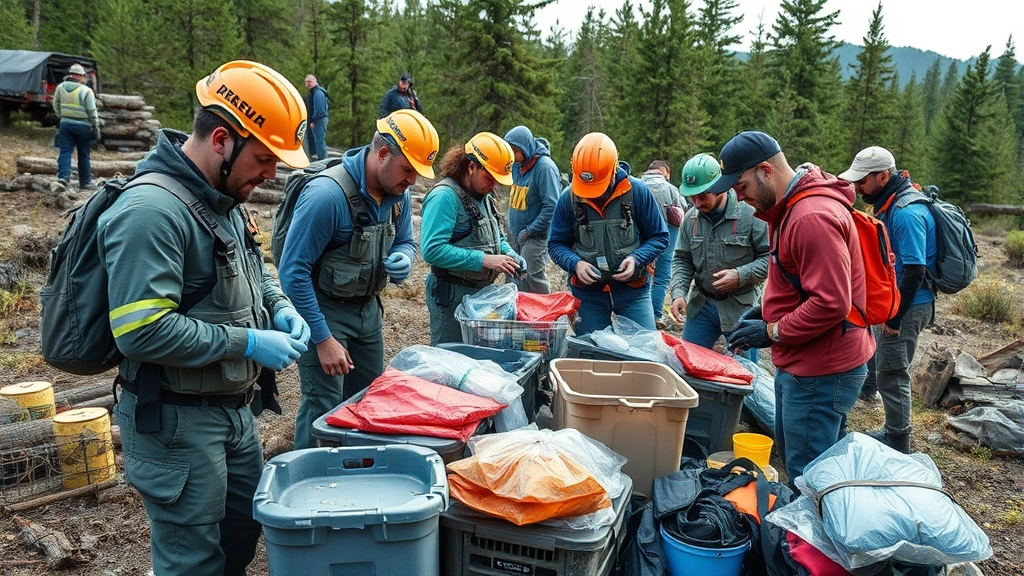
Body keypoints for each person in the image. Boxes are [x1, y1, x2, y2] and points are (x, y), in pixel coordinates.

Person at [100, 61, 312, 576]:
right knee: (192, 559)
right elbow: (140, 329)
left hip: (233, 411)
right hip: (176, 419)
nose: (271, 175)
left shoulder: (223, 200)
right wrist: (246, 343)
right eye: (264, 159)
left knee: (241, 533)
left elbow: (252, 266)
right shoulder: (151, 212)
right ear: (221, 139)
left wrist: (279, 305)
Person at [279, 109, 438, 450]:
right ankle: (308, 480)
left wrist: (405, 258)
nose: (413, 181)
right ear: (383, 154)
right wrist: (322, 339)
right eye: (408, 169)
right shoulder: (327, 196)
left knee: (368, 397)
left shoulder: (398, 194)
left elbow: (406, 241)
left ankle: (356, 471)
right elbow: (292, 272)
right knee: (323, 405)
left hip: (368, 311)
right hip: (324, 311)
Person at [720, 130, 874, 481]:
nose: (740, 199)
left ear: (765, 170)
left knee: (810, 475)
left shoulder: (810, 217)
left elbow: (831, 302)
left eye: (741, 187)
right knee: (812, 462)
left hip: (821, 368)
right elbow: (799, 279)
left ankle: (814, 536)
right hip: (806, 360)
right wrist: (764, 310)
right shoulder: (787, 208)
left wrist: (771, 330)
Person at [839, 146, 936, 454]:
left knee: (893, 372)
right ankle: (870, 392)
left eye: (862, 182)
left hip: (909, 303)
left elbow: (915, 269)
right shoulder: (887, 202)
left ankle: (897, 439)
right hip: (896, 300)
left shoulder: (906, 212)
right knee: (879, 353)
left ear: (883, 176)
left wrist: (894, 318)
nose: (856, 188)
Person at [548, 132, 669, 335]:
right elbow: (556, 244)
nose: (592, 194)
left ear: (614, 170)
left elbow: (660, 236)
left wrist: (637, 259)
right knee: (592, 355)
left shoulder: (637, 191)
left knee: (644, 354)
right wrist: (575, 264)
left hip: (633, 293)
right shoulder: (567, 198)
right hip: (588, 296)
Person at [420, 132, 525, 345]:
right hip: (450, 296)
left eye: (498, 181)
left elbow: (497, 236)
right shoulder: (445, 197)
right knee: (450, 358)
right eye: (490, 178)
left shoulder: (485, 196)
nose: (494, 185)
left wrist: (510, 254)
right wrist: (484, 260)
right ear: (471, 166)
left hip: (480, 297)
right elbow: (432, 250)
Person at [670, 153, 768, 363]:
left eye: (702, 196)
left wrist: (740, 275)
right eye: (691, 197)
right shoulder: (690, 219)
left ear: (720, 187)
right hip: (701, 304)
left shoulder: (752, 214)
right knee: (687, 363)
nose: (696, 203)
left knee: (744, 372)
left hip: (740, 308)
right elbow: (682, 259)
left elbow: (770, 259)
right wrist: (678, 292)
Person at [503, 125, 559, 294]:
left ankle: (544, 317)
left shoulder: (545, 167)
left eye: (514, 151)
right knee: (512, 275)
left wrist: (530, 230)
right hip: (514, 234)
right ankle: (515, 315)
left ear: (524, 148)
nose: (511, 156)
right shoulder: (517, 166)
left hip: (534, 236)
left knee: (532, 278)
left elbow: (552, 206)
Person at [642, 159, 686, 326]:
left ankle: (640, 315)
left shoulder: (635, 185)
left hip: (641, 239)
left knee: (641, 276)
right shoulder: (672, 189)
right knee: (661, 277)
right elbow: (683, 212)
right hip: (667, 237)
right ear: (666, 173)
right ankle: (655, 315)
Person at [53, 63, 99, 189]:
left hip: (66, 124)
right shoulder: (86, 91)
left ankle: (63, 178)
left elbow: (55, 104)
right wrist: (96, 125)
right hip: (84, 126)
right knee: (84, 154)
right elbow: (92, 110)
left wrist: (62, 116)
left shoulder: (60, 88)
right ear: (80, 76)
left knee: (65, 152)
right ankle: (85, 182)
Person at [303, 74, 330, 161]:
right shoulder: (313, 92)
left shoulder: (318, 93)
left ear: (315, 82)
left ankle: (322, 160)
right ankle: (319, 158)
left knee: (319, 141)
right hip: (317, 119)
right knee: (317, 141)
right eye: (306, 82)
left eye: (310, 81)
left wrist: (313, 120)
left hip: (319, 120)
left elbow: (319, 109)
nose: (308, 83)